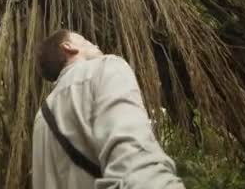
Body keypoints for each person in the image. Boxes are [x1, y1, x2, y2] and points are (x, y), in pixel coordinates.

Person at [32, 29, 185, 189]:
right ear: (68, 47)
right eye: (85, 41)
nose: (95, 44)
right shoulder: (105, 68)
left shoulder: (40, 119)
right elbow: (135, 165)